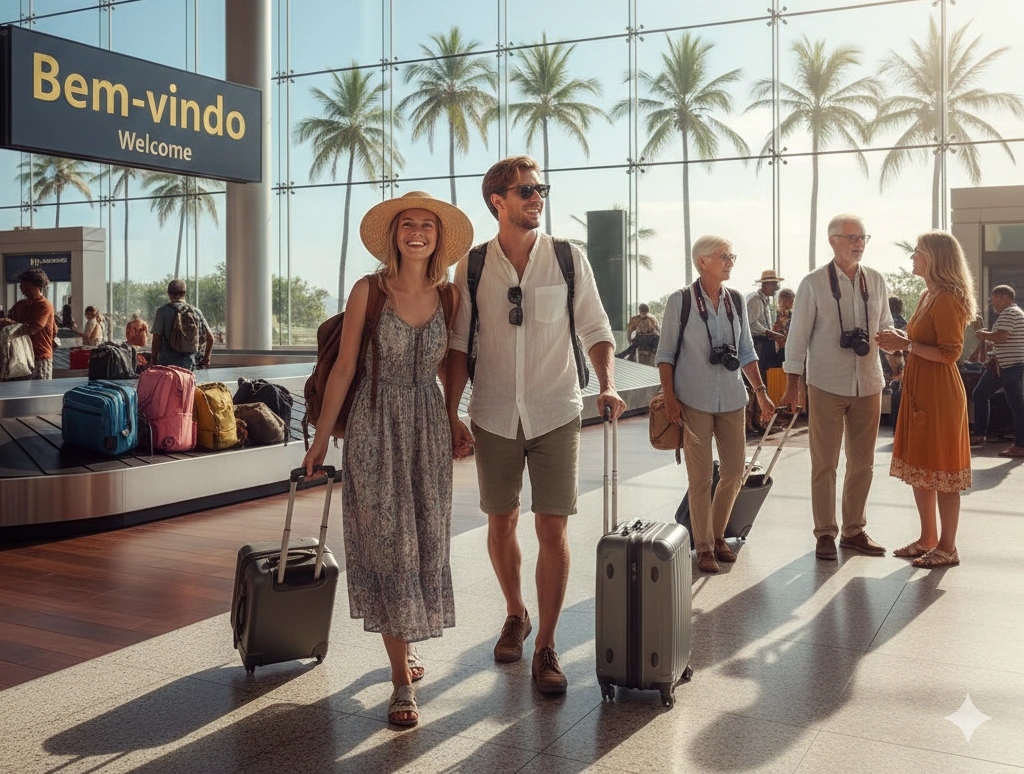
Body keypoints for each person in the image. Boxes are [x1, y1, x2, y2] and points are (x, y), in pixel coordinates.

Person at [446, 155, 626, 696]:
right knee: (500, 523)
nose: (537, 197)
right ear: (497, 201)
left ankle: (546, 643)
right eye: (525, 190)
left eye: (540, 188)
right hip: (494, 413)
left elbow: (596, 328)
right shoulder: (472, 266)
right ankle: (516, 612)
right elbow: (457, 346)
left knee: (553, 528)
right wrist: (450, 412)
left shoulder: (569, 259)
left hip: (556, 410)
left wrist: (608, 382)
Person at [301, 191, 472, 728]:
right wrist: (321, 438)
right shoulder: (368, 292)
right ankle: (401, 680)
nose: (417, 232)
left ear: (438, 238)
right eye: (407, 224)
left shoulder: (450, 298)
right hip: (376, 428)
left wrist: (452, 418)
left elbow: (451, 371)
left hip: (427, 431)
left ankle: (406, 648)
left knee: (423, 541)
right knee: (393, 544)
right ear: (394, 234)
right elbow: (344, 368)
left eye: (427, 225)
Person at [656, 236, 774, 573]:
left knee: (735, 471)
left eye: (731, 256)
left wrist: (761, 392)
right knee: (701, 477)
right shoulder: (680, 302)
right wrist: (669, 398)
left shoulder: (735, 300)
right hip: (693, 399)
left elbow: (747, 351)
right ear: (702, 261)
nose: (730, 261)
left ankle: (719, 535)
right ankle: (705, 546)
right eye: (724, 256)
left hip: (733, 399)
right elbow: (664, 356)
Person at [779, 214, 893, 560]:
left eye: (863, 237)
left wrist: (895, 343)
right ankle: (825, 534)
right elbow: (797, 338)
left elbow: (885, 324)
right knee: (824, 462)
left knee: (863, 463)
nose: (859, 243)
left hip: (869, 381)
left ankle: (854, 531)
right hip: (826, 382)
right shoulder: (813, 283)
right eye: (852, 237)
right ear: (833, 241)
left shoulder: (876, 280)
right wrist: (792, 385)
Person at [877, 231, 976, 568]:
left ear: (934, 257)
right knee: (922, 469)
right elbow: (922, 342)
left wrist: (905, 344)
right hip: (922, 388)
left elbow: (950, 353)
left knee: (943, 469)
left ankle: (948, 547)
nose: (912, 257)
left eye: (917, 252)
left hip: (940, 392)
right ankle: (928, 539)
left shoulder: (948, 297)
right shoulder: (928, 295)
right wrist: (899, 340)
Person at [971, 285, 1024, 458]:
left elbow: (1002, 336)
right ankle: (980, 434)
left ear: (1004, 297)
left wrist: (983, 334)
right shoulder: (1016, 313)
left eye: (993, 299)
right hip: (1004, 365)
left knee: (1017, 405)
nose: (992, 303)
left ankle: (1020, 445)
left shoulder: (1009, 313)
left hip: (1009, 366)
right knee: (981, 394)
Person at [2, 268, 57, 380]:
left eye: (26, 284)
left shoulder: (44, 305)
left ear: (37, 285)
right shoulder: (19, 305)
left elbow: (33, 327)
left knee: (40, 391)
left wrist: (9, 323)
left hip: (39, 356)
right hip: (18, 356)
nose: (22, 287)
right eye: (21, 284)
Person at [151, 280, 213, 372]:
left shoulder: (162, 312)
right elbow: (210, 338)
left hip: (167, 365)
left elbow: (157, 340)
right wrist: (206, 358)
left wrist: (154, 362)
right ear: (184, 293)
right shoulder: (195, 311)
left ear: (169, 294)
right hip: (189, 364)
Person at [747, 270, 786, 376]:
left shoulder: (763, 300)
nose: (776, 288)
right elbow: (751, 324)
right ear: (766, 285)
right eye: (774, 284)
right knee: (761, 374)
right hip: (757, 344)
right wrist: (771, 333)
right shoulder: (756, 300)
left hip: (762, 343)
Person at [772, 288, 795, 364]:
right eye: (786, 301)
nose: (789, 303)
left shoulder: (792, 315)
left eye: (791, 301)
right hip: (779, 347)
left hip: (788, 347)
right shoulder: (776, 315)